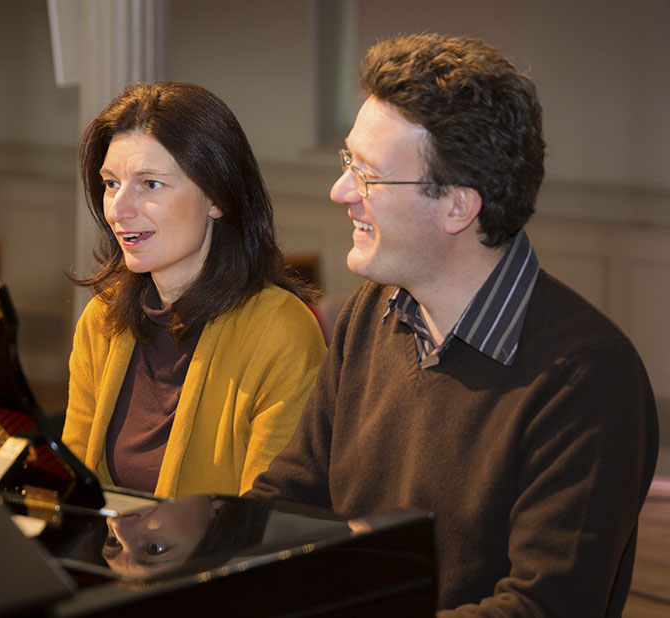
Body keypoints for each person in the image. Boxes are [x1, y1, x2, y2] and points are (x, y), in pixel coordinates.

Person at [249, 33, 659, 616]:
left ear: (457, 207)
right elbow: (286, 502)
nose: (341, 191)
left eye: (367, 174)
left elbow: (541, 608)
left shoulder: (587, 375)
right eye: (348, 162)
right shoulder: (373, 313)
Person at [63, 82, 326, 499]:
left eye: (150, 184)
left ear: (216, 198)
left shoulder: (281, 332)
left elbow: (269, 520)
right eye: (111, 183)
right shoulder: (101, 321)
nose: (118, 209)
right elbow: (73, 492)